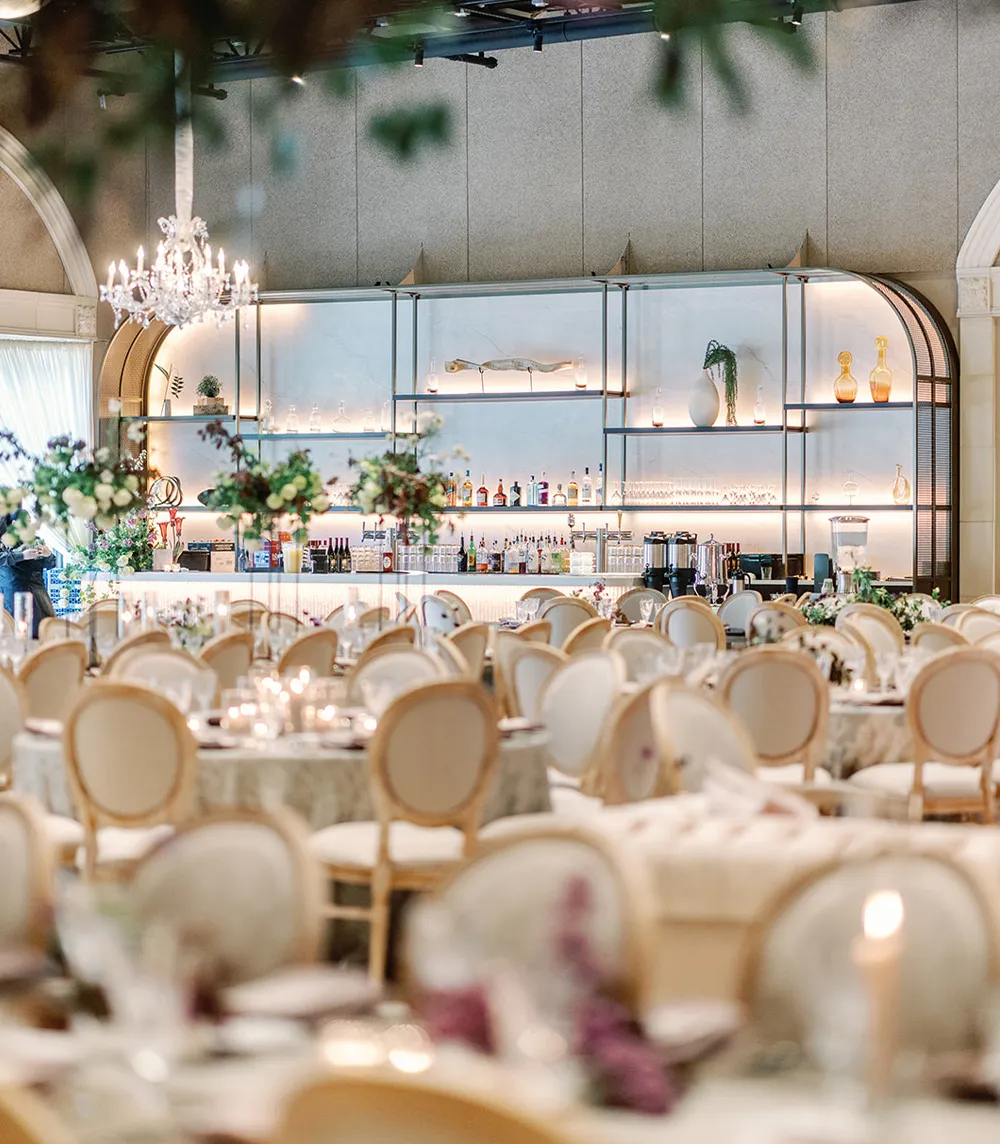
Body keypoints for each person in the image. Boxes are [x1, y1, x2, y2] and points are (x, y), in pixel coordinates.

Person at [0, 514, 56, 637]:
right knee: (16, 634)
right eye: (26, 521)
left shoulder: (36, 540)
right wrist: (22, 556)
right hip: (14, 592)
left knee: (43, 631)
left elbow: (51, 564)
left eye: (30, 521)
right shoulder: (4, 540)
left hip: (39, 592)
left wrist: (48, 555)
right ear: (14, 523)